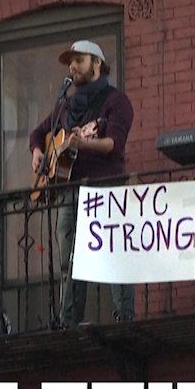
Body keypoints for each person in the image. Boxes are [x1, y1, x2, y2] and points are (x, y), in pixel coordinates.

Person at [29, 39, 136, 326]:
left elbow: (114, 145)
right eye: (70, 62)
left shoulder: (116, 102)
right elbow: (38, 134)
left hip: (105, 187)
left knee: (113, 252)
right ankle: (70, 321)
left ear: (97, 63)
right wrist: (38, 152)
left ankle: (124, 317)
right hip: (71, 192)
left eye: (79, 59)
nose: (73, 66)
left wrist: (81, 144)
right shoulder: (66, 106)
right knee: (70, 259)